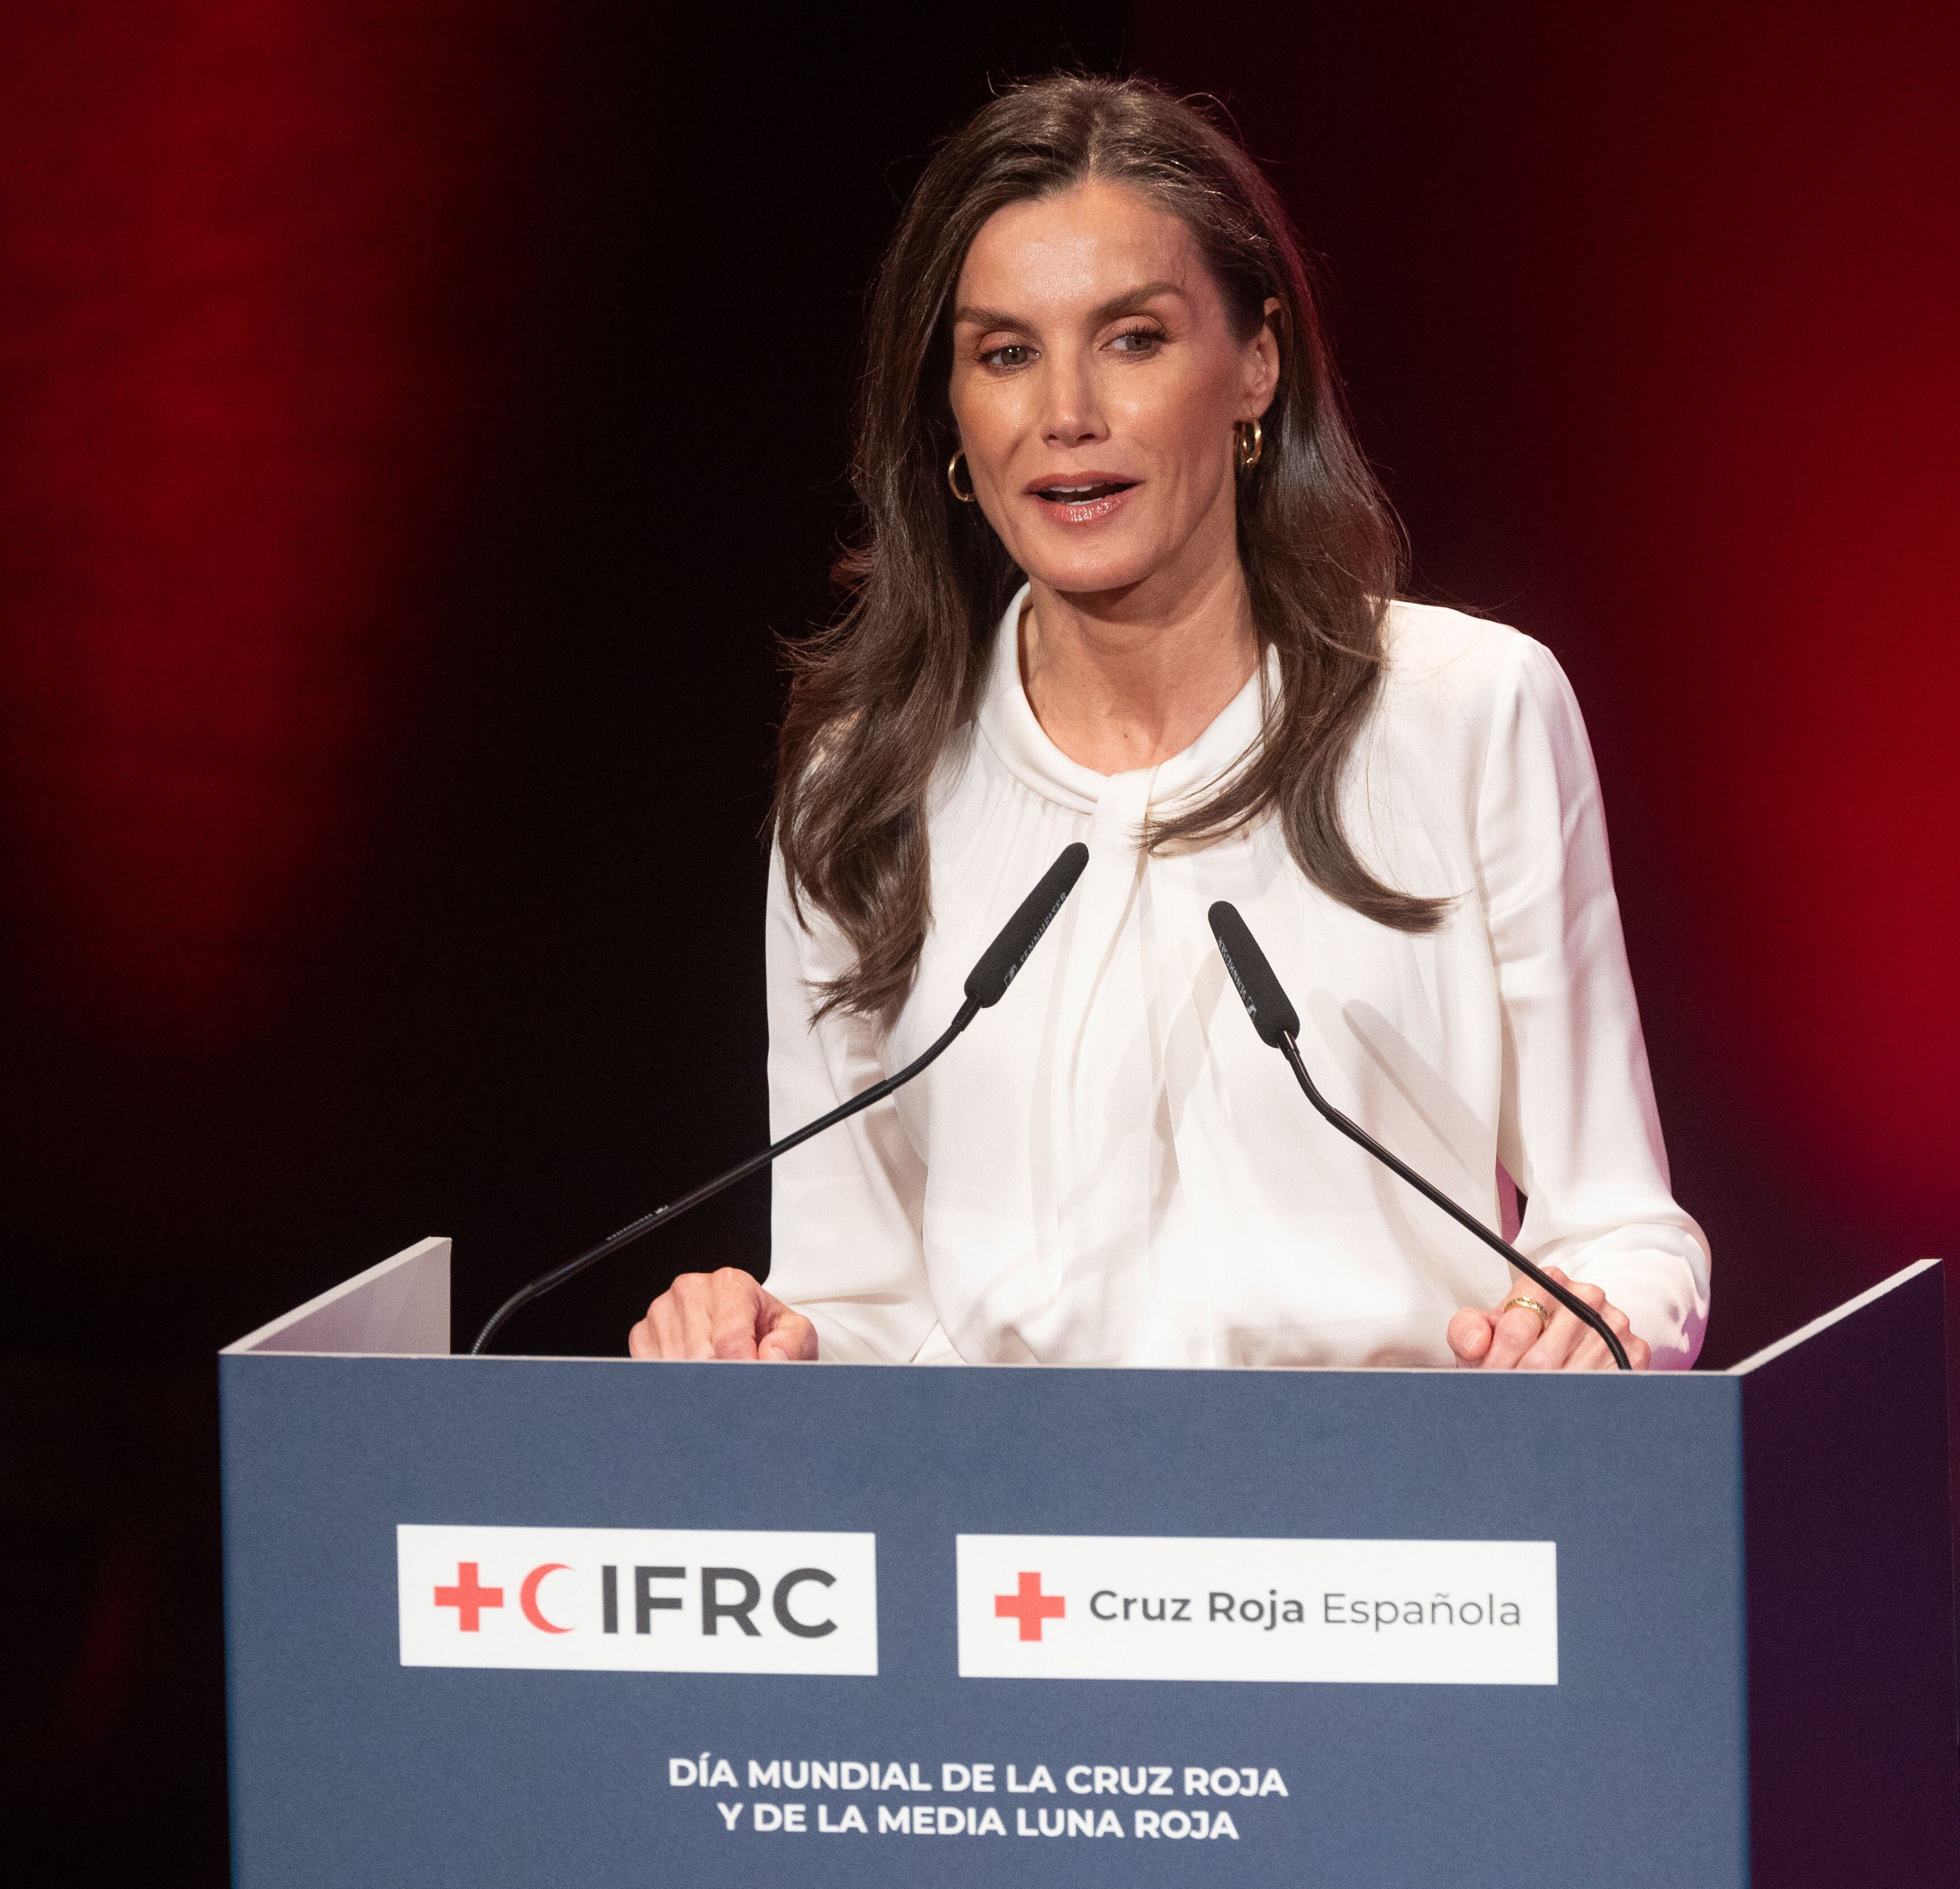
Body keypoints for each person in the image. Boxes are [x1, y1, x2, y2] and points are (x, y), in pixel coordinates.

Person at [629, 75, 1707, 1372]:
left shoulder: (1467, 713)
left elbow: (1621, 1233)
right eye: (1004, 352)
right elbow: (858, 1293)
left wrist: (1595, 1328)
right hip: (1006, 1549)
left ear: (1255, 364)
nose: (1064, 411)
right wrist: (770, 1343)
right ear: (951, 421)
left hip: (1399, 1531)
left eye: (1132, 338)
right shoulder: (862, 786)